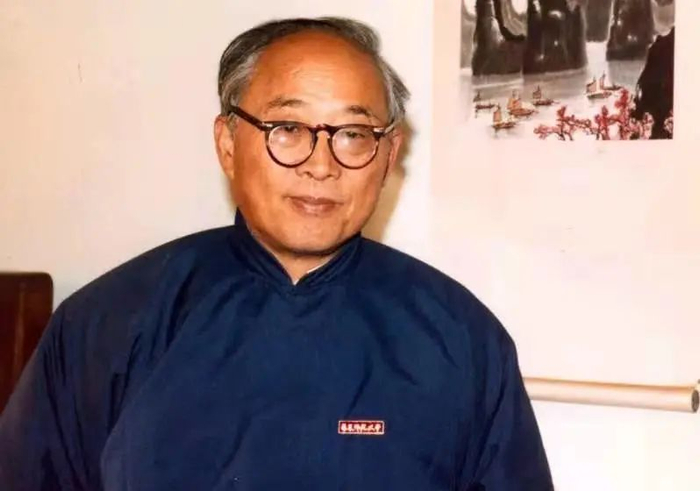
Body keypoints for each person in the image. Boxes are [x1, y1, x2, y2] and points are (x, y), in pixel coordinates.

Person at [0, 17, 553, 490]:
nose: (321, 164)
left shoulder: (460, 339)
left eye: (353, 133)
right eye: (287, 128)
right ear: (227, 143)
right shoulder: (109, 323)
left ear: (388, 155)